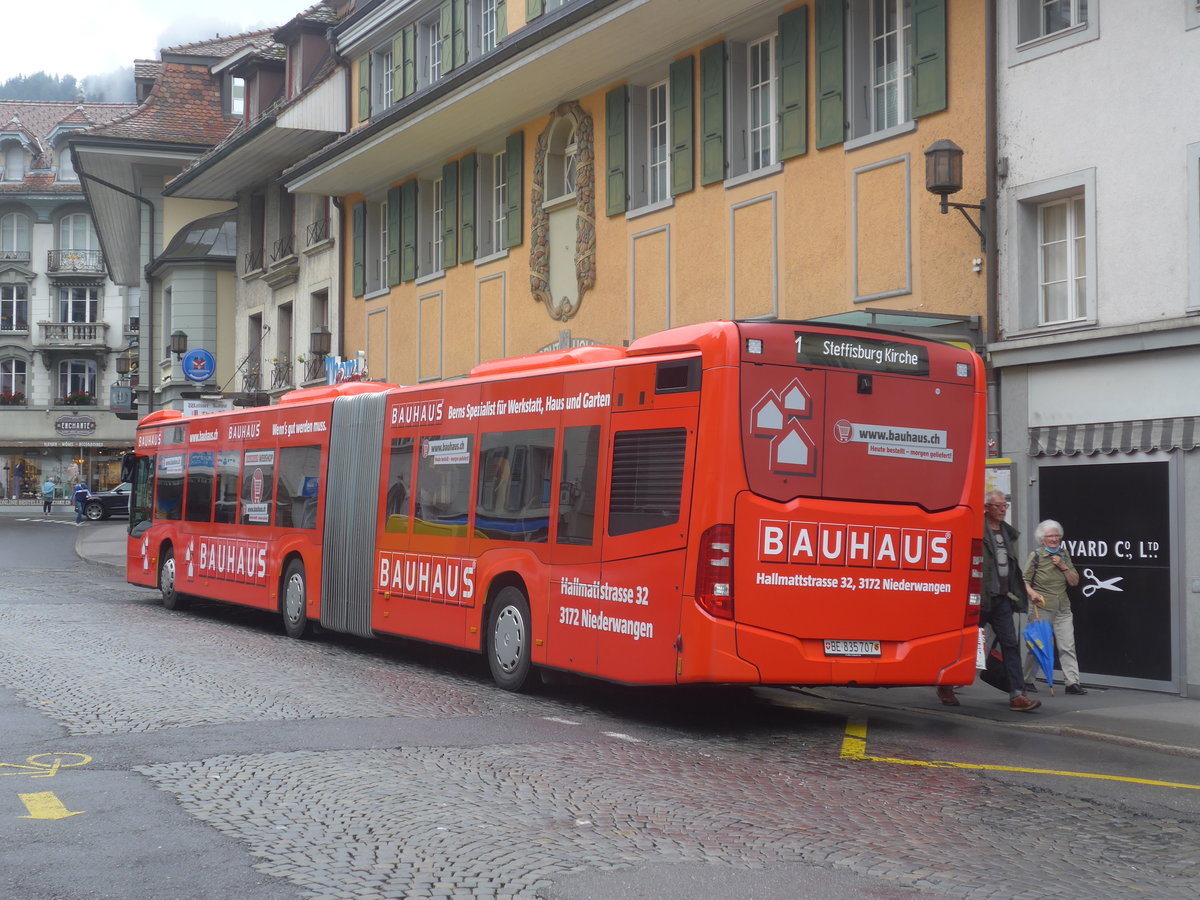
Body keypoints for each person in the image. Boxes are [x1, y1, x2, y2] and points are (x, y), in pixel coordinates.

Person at [937, 491, 1041, 712]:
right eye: (998, 506)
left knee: (1010, 644)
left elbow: (1010, 568)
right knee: (964, 644)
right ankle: (945, 686)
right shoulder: (976, 529)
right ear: (986, 508)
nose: (1003, 509)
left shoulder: (1007, 533)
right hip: (978, 598)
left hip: (1001, 599)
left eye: (1005, 505)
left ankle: (1017, 695)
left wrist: (1020, 591)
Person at [1023, 519, 1086, 695]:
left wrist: (1063, 566)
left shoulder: (1064, 554)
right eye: (1050, 536)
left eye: (1057, 535)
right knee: (1038, 645)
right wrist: (1032, 593)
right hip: (1042, 607)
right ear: (1042, 539)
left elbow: (1074, 581)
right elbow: (1024, 580)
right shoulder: (1036, 556)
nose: (1054, 539)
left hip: (1062, 607)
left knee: (1067, 645)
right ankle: (1027, 680)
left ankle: (1072, 683)